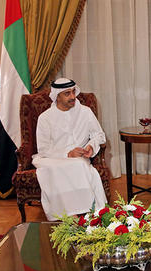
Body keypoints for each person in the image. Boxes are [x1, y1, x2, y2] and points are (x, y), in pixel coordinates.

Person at [33, 78, 107, 220]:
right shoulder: (45, 118)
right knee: (57, 169)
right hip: (52, 159)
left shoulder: (85, 112)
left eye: (73, 92)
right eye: (67, 93)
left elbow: (99, 135)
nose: (73, 97)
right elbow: (43, 149)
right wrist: (67, 153)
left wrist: (91, 146)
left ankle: (87, 213)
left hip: (79, 158)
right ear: (57, 96)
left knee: (78, 164)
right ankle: (71, 216)